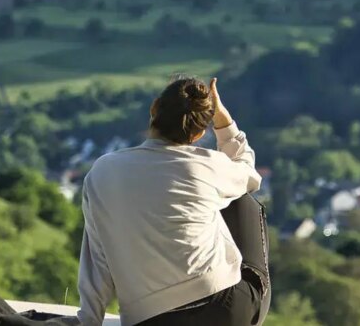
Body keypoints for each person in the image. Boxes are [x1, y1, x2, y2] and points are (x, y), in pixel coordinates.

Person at [77, 77, 270, 326]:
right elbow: (248, 171)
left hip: (148, 318)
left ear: (154, 108)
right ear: (199, 133)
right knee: (241, 198)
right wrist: (222, 120)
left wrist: (90, 319)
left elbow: (97, 256)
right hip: (224, 311)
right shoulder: (208, 165)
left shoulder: (102, 171)